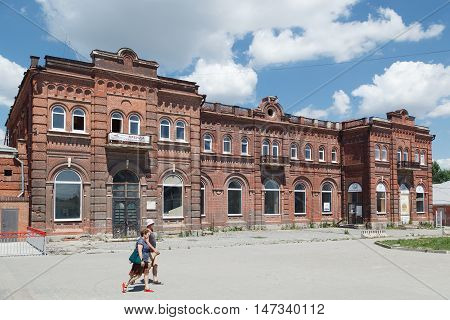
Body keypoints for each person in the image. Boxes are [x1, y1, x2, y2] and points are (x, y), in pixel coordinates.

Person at [122, 228, 153, 293]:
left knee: (146, 273)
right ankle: (126, 285)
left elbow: (147, 251)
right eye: (148, 234)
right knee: (138, 275)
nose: (148, 236)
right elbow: (139, 251)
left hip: (145, 260)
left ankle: (147, 288)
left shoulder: (145, 241)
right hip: (141, 261)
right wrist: (141, 260)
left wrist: (150, 259)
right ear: (144, 234)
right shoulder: (140, 241)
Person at [145, 219, 162, 285]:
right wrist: (154, 249)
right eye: (152, 224)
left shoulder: (151, 230)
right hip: (150, 252)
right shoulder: (147, 231)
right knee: (148, 267)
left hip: (153, 251)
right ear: (149, 225)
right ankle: (133, 278)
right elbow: (147, 242)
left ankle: (155, 279)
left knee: (155, 265)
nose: (153, 225)